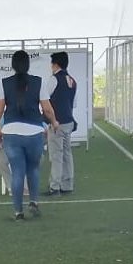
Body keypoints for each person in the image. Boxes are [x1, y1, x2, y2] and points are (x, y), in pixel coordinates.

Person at [0, 50, 57, 221]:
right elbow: (47, 109)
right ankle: (33, 202)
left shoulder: (4, 83)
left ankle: (18, 212)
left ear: (13, 65)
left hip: (11, 134)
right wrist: (54, 122)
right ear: (28, 64)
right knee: (33, 169)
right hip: (34, 133)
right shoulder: (38, 82)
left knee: (17, 172)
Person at [44, 51, 77, 195]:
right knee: (67, 154)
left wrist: (49, 119)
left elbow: (45, 100)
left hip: (57, 122)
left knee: (56, 155)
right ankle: (67, 184)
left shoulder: (54, 79)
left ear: (56, 64)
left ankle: (55, 186)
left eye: (52, 63)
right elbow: (73, 104)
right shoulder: (72, 80)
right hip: (69, 121)